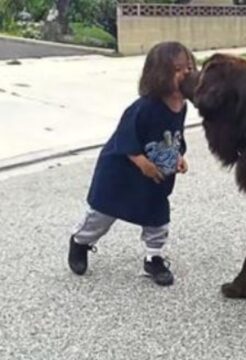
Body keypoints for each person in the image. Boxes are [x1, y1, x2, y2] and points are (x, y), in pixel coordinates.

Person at [68, 41, 196, 286]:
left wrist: (179, 156)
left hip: (155, 176)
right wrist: (140, 161)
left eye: (188, 68)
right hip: (121, 174)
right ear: (159, 74)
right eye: (177, 69)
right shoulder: (144, 108)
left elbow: (175, 135)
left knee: (157, 217)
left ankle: (154, 258)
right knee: (102, 215)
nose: (185, 74)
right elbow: (126, 137)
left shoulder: (182, 106)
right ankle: (80, 242)